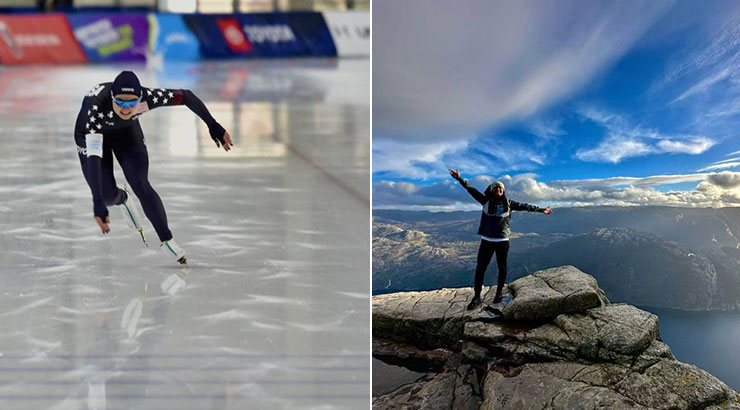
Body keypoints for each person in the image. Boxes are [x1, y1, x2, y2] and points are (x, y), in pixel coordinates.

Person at [74, 71, 233, 264]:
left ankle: (167, 239)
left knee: (141, 183)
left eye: (131, 103)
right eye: (120, 102)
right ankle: (123, 198)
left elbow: (187, 96)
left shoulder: (149, 98)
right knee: (106, 196)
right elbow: (93, 156)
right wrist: (97, 201)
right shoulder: (96, 108)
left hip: (126, 133)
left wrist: (212, 124)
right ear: (112, 98)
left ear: (140, 98)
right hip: (91, 134)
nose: (126, 109)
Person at [449, 169, 553, 310]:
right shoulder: (485, 201)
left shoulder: (509, 203)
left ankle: (498, 293)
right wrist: (459, 178)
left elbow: (526, 206)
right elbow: (470, 189)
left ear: (503, 191)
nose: (499, 189)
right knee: (480, 269)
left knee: (502, 268)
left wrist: (541, 210)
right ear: (492, 190)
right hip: (486, 240)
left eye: (501, 188)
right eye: (496, 187)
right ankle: (477, 297)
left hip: (502, 241)